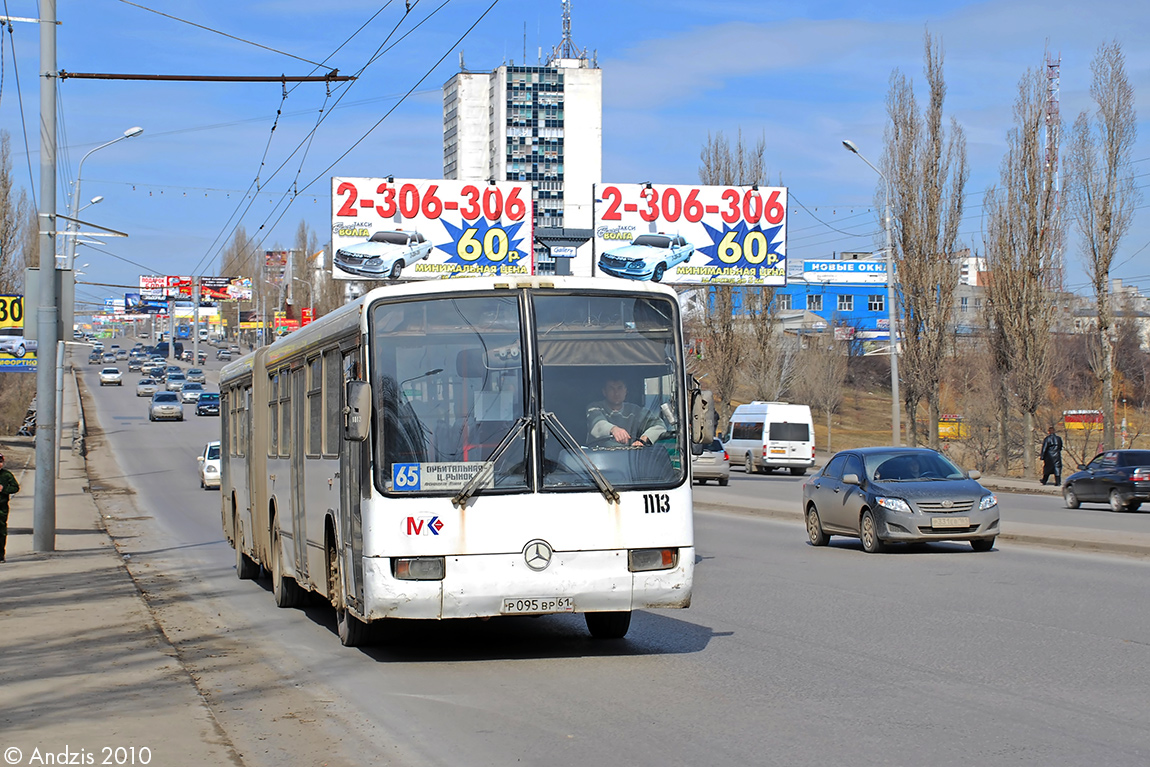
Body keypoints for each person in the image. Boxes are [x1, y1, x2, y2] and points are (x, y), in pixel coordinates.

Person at [586, 378, 666, 448]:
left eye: (620, 388)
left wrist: (644, 439)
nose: (616, 393)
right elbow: (597, 423)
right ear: (604, 392)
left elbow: (659, 425)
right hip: (598, 461)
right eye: (611, 389)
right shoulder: (594, 408)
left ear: (626, 391)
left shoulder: (636, 411)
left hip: (630, 460)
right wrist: (614, 429)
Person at [0, 453, 20, 562]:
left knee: (1, 532)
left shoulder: (6, 475)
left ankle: (0, 554)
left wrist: (4, 489)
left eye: (0, 462)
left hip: (1, 508)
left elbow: (15, 487)